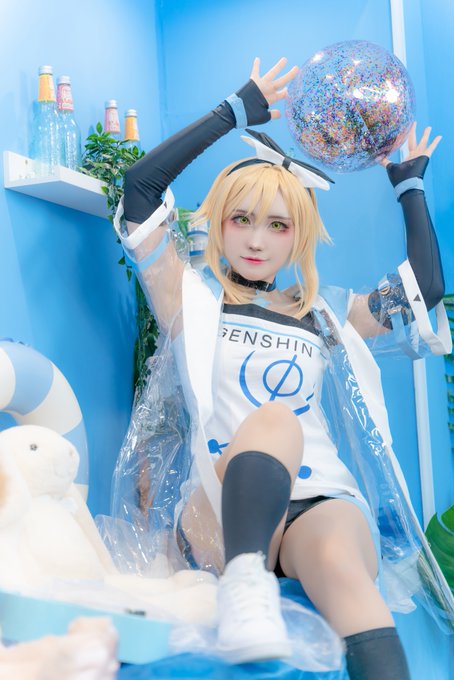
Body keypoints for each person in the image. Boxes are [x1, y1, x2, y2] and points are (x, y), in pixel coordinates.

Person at [113, 57, 453, 679]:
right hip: (220, 503)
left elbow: (422, 291)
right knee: (275, 420)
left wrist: (409, 187)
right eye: (241, 219)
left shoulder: (325, 314)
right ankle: (245, 585)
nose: (256, 240)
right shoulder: (188, 298)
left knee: (346, 574)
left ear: (296, 238)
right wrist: (233, 113)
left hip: (320, 497)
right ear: (218, 224)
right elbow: (139, 191)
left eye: (277, 225)